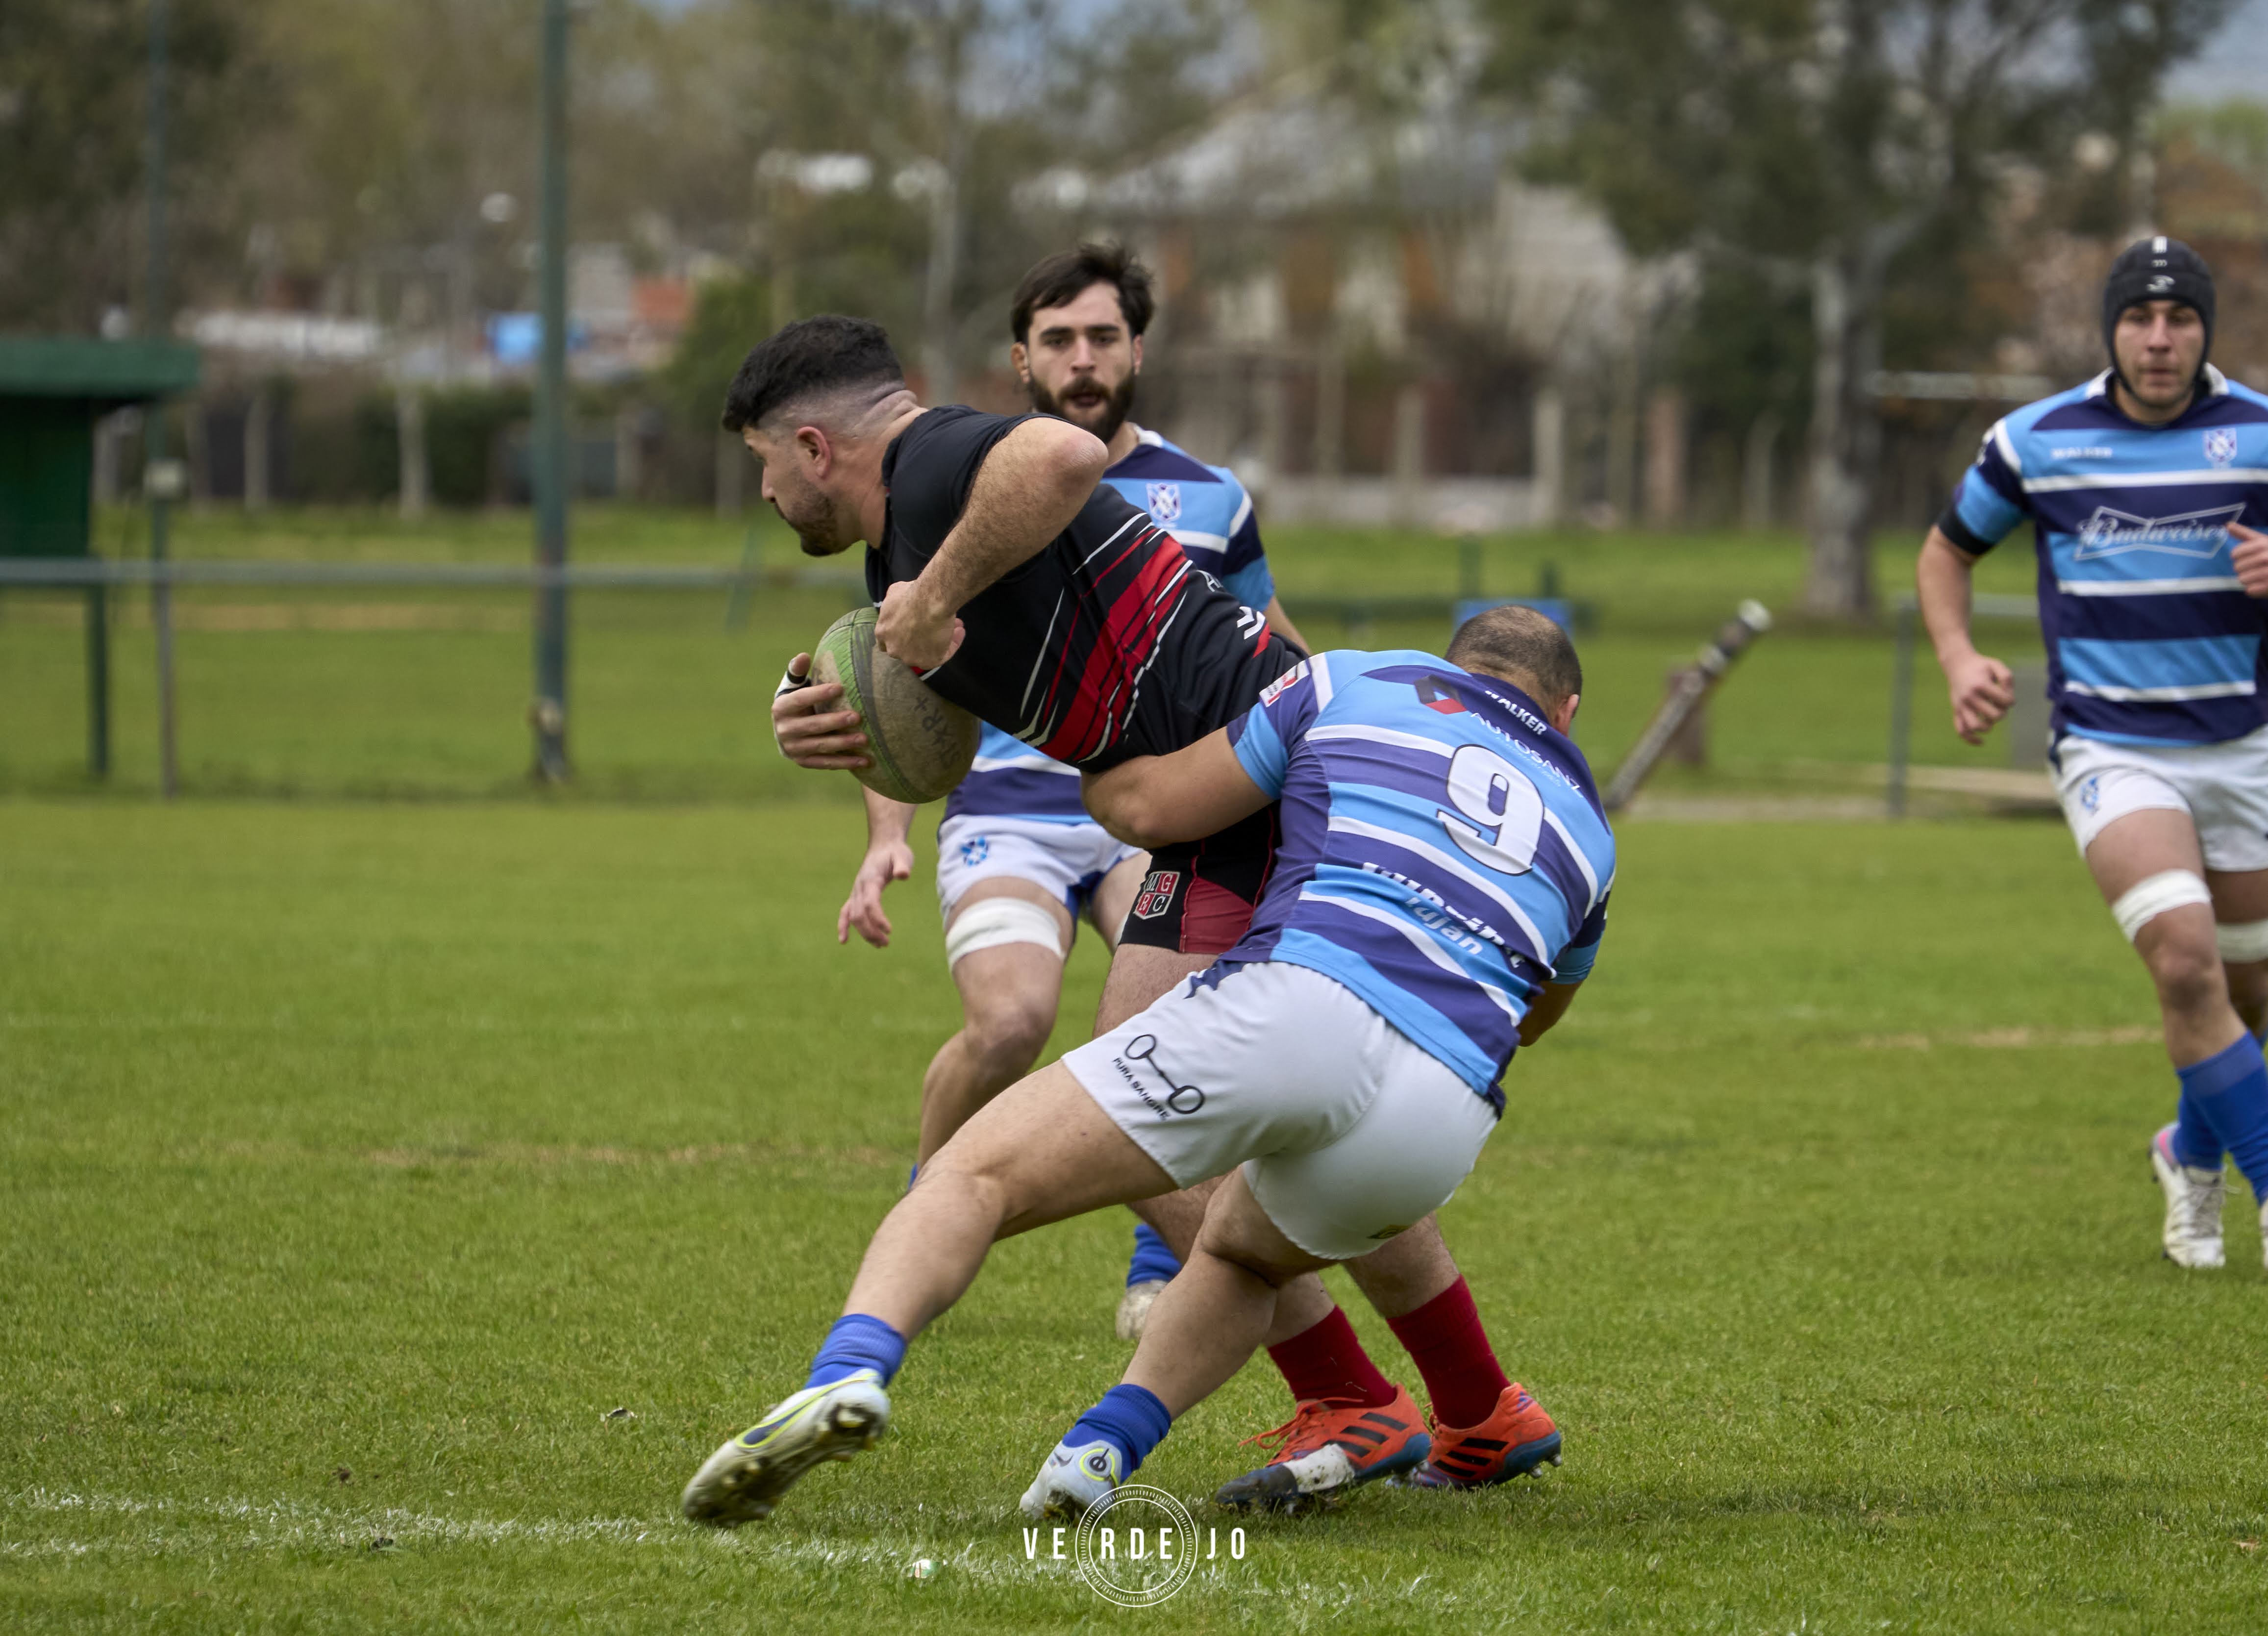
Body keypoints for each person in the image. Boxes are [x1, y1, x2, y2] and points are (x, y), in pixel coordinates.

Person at [745, 311, 1557, 1500]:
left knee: (1148, 1111)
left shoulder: (935, 460)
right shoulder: (900, 552)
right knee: (1200, 1118)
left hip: (1259, 783)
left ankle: (1370, 1398)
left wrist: (938, 592)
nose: (763, 494)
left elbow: (1064, 459)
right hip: (1215, 801)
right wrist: (813, 709)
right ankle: (1465, 1405)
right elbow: (931, 736)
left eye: (760, 464)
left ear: (813, 445)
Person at [681, 607, 1610, 1526]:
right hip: (1442, 1115)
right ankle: (1098, 1452)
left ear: (1449, 664)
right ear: (1565, 711)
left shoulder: (1356, 678)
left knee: (974, 1169)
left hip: (1302, 1006)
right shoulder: (1591, 832)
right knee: (1244, 1256)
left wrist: (1084, 759)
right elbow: (1532, 1019)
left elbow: (1148, 809)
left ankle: (846, 1377)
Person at [833, 244, 1306, 1332]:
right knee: (1010, 1024)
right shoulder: (973, 481)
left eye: (1102, 337)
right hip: (1011, 812)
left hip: (1163, 804)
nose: (1082, 360)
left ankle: (1160, 1259)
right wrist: (883, 833)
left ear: (1137, 349)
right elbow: (902, 692)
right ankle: (927, 1208)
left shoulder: (1210, 497)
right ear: (1021, 357)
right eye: (1058, 339)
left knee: (1160, 1033)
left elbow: (1262, 643)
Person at [1917, 235, 2268, 1270]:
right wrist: (1956, 656)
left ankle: (2186, 1153)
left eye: (2179, 320)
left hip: (2244, 746)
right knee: (2184, 959)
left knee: (2245, 998)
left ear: (2205, 330)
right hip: (2112, 746)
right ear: (2110, 330)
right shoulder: (2037, 442)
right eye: (2138, 320)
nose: (2158, 340)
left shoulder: (2257, 434)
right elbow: (1947, 550)